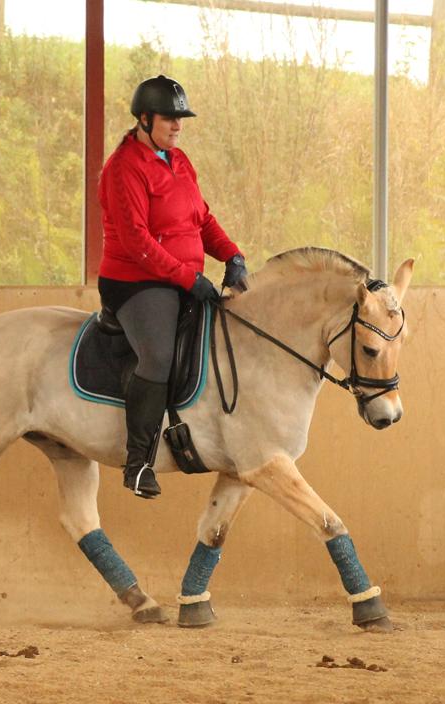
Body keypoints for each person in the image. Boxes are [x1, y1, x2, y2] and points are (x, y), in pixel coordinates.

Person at [97, 74, 249, 499]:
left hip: (181, 277)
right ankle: (139, 463)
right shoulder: (123, 168)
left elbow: (201, 219)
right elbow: (137, 242)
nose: (178, 126)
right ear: (144, 120)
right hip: (136, 282)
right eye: (169, 119)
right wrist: (188, 278)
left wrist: (233, 256)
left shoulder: (178, 162)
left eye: (180, 119)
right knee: (160, 354)